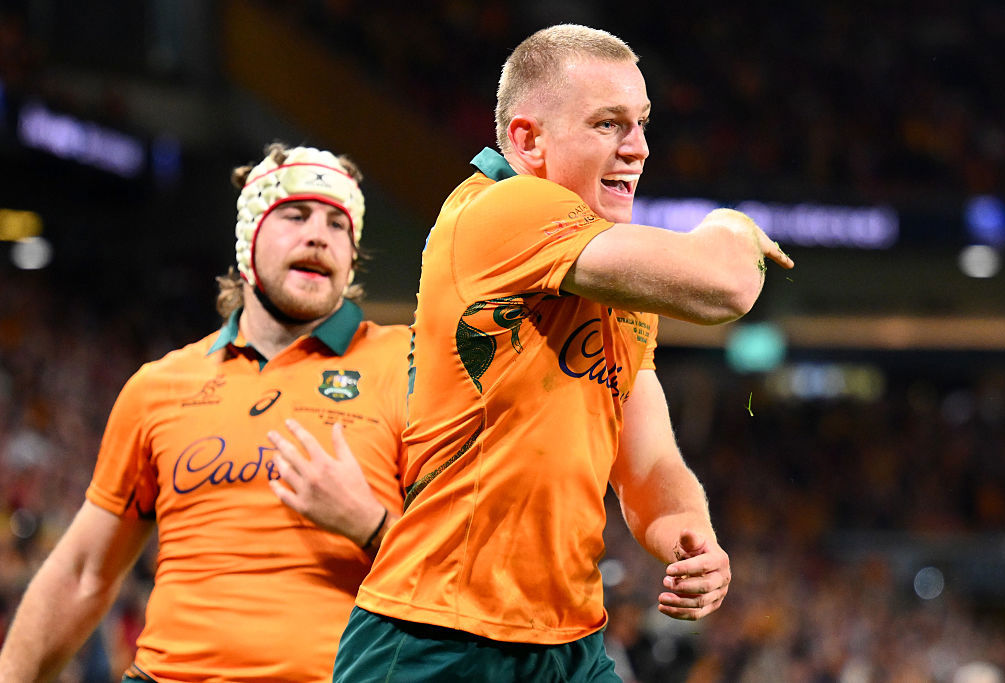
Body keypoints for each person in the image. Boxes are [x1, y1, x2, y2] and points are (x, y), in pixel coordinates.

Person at [333, 24, 794, 682]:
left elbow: (649, 461)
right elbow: (725, 284)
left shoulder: (617, 279)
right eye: (608, 124)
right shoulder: (501, 209)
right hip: (436, 632)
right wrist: (733, 224)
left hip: (568, 640)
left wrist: (691, 535)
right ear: (527, 139)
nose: (636, 148)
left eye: (641, 123)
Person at [0, 143, 410, 682]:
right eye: (295, 215)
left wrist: (373, 525)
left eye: (339, 224)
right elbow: (82, 574)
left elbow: (471, 576)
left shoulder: (409, 368)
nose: (319, 234)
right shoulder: (159, 386)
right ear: (247, 241)